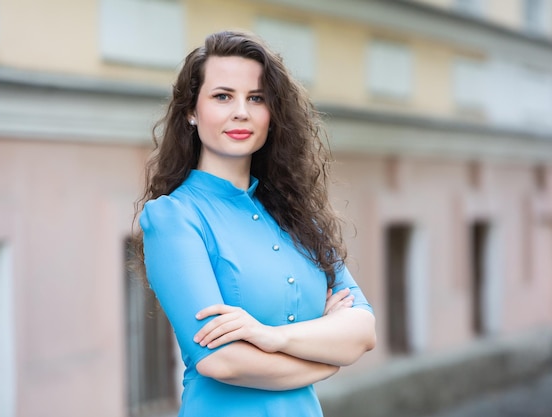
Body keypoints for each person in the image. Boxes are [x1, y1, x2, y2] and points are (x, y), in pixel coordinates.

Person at [135, 30, 376, 417]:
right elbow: (220, 361)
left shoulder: (297, 217)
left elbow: (363, 332)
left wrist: (268, 336)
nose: (241, 112)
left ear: (272, 113)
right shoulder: (174, 217)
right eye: (222, 96)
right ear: (191, 112)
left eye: (256, 98)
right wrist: (325, 360)